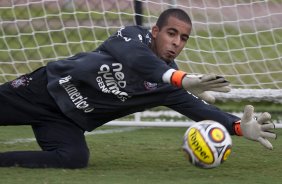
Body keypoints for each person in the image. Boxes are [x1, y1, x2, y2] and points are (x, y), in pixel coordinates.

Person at [0, 8, 276, 169]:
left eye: (183, 38)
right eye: (171, 33)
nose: (177, 42)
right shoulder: (131, 37)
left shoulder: (166, 83)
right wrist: (179, 78)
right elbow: (138, 61)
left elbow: (198, 108)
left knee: (74, 158)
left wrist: (238, 127)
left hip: (66, 119)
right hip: (42, 89)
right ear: (156, 32)